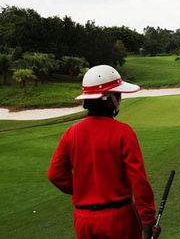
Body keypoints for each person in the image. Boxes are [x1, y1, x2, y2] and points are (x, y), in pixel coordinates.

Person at [47, 65, 161, 239]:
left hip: (84, 219)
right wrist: (147, 220)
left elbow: (55, 174)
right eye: (118, 94)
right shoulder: (123, 132)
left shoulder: (71, 132)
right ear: (111, 99)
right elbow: (138, 181)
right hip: (118, 218)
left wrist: (84, 191)